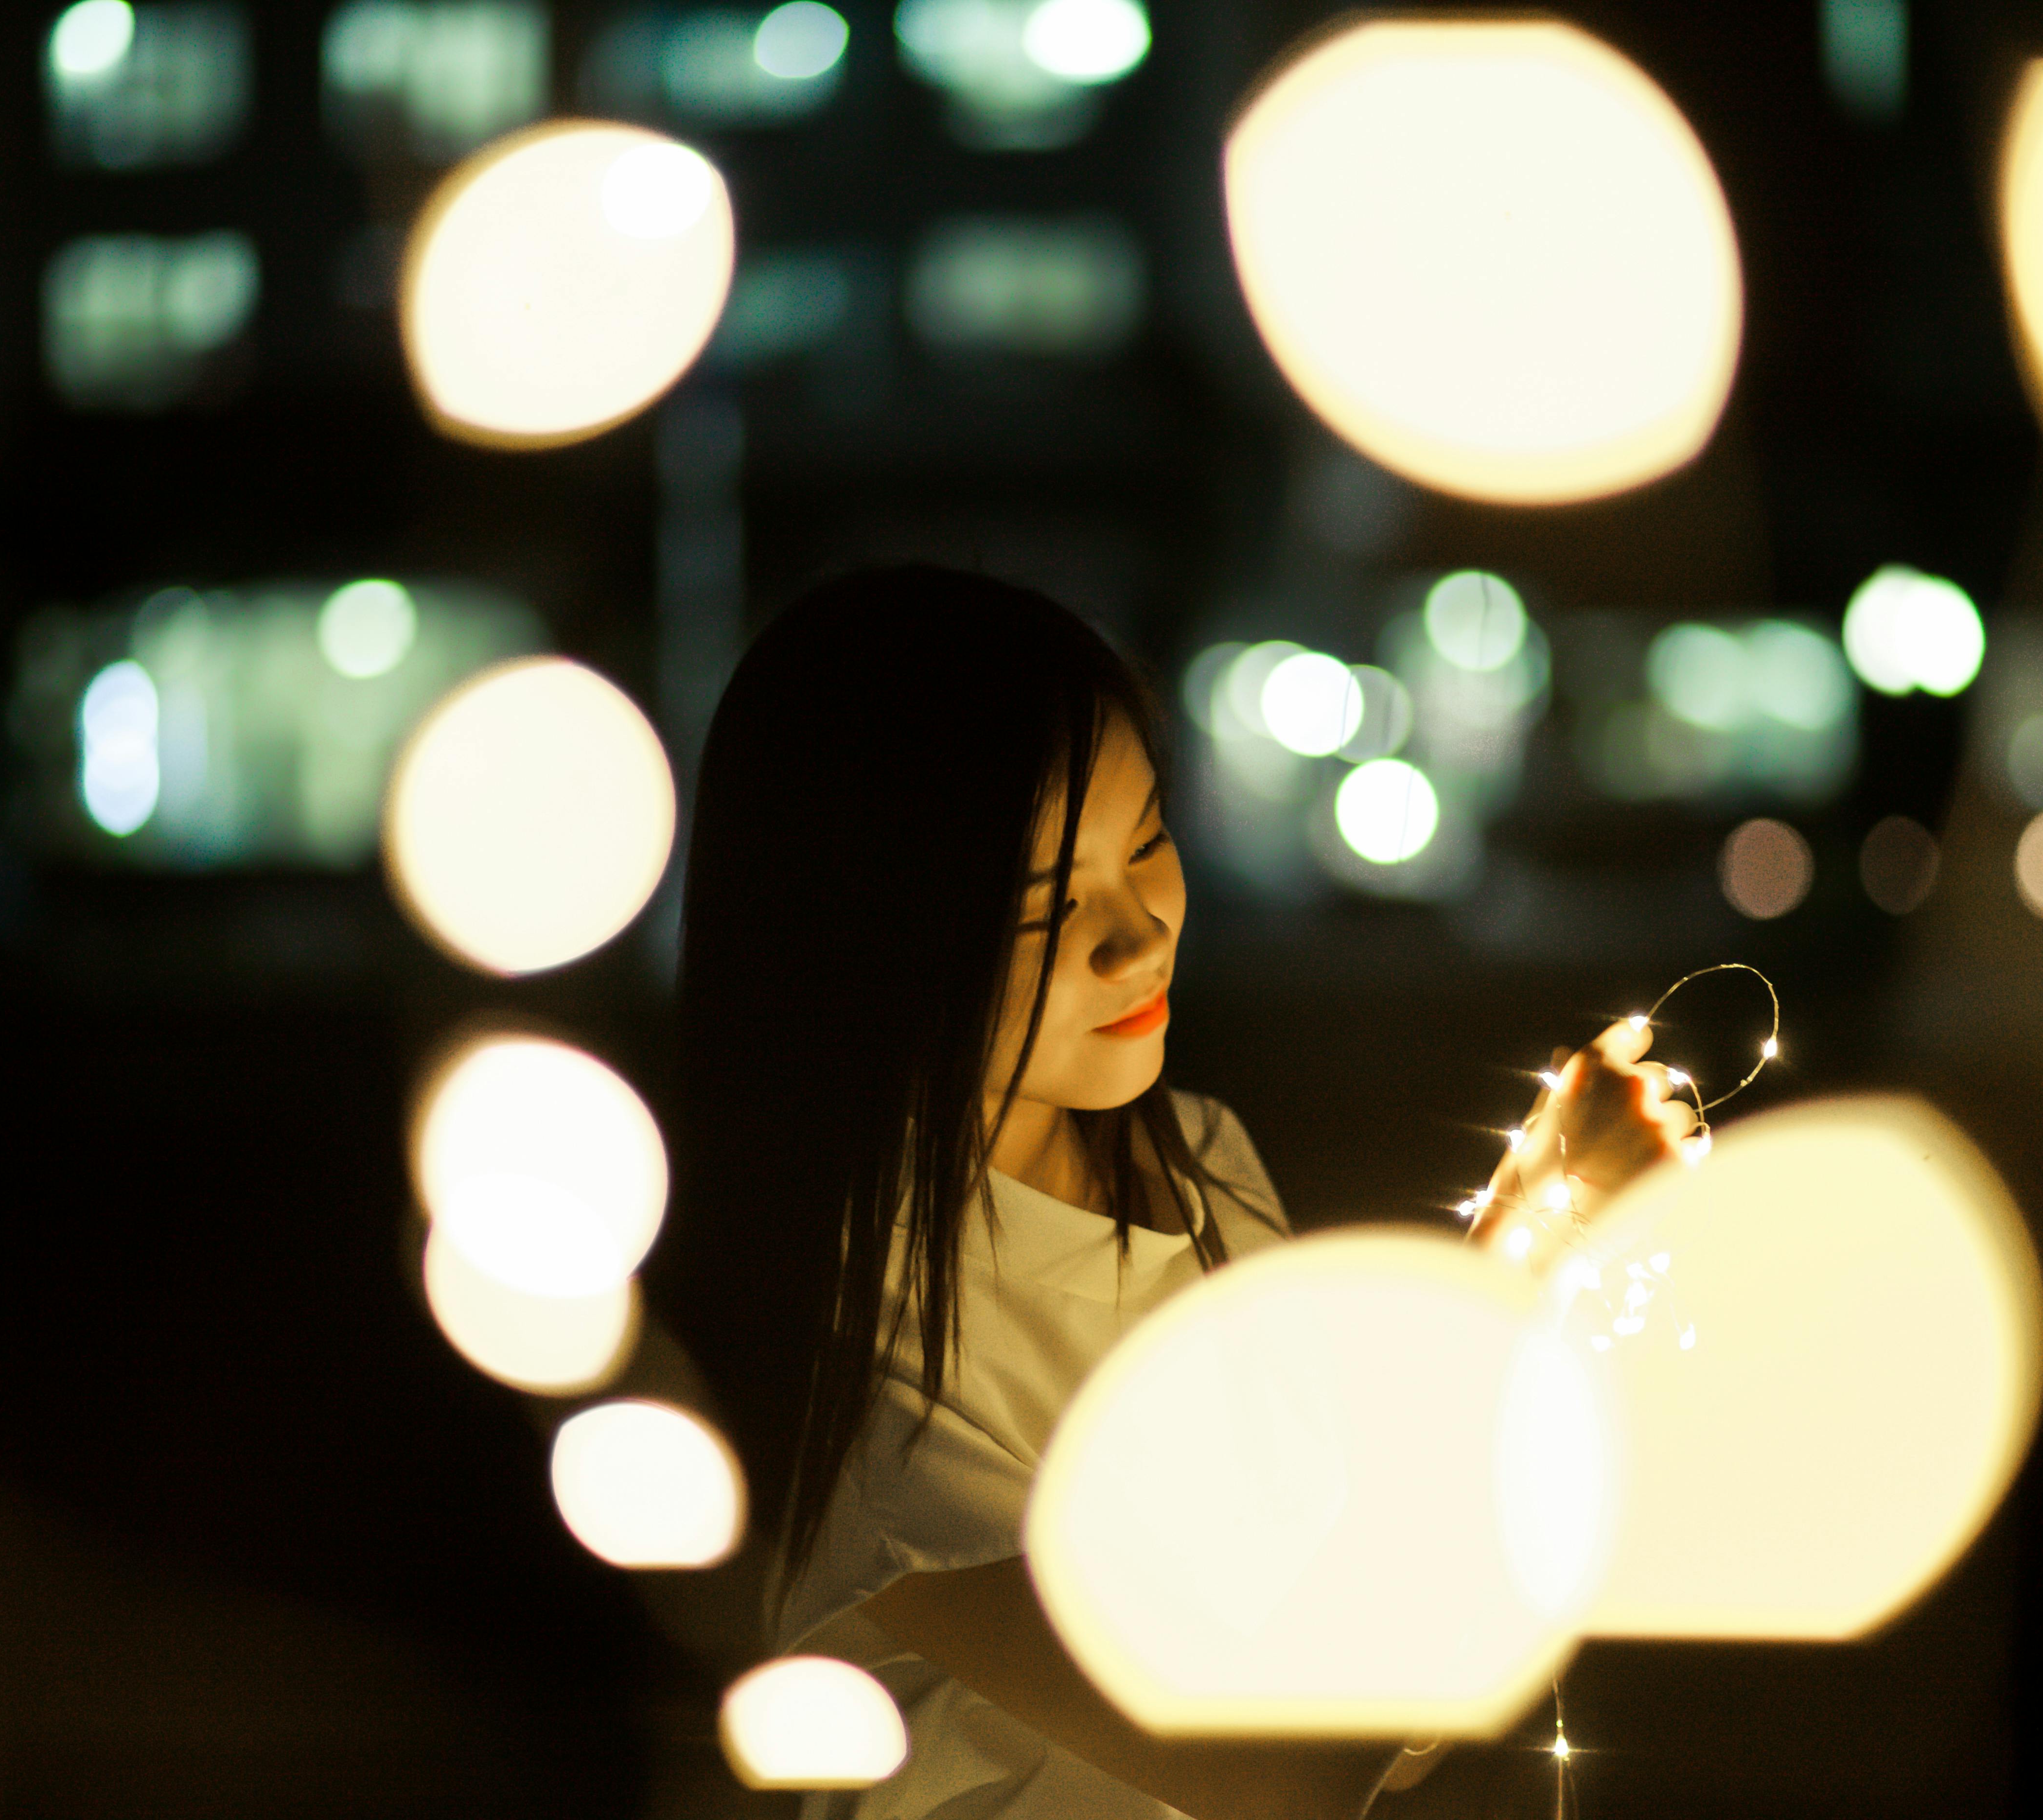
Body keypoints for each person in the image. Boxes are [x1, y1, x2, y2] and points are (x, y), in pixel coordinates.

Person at [652, 567, 1690, 1820]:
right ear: (861, 945)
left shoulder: (1198, 1161)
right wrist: (1515, 1271)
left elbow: (1391, 1710)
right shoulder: (858, 1351)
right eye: (1045, 908)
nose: (1137, 932)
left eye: (1147, 839)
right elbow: (1286, 1764)